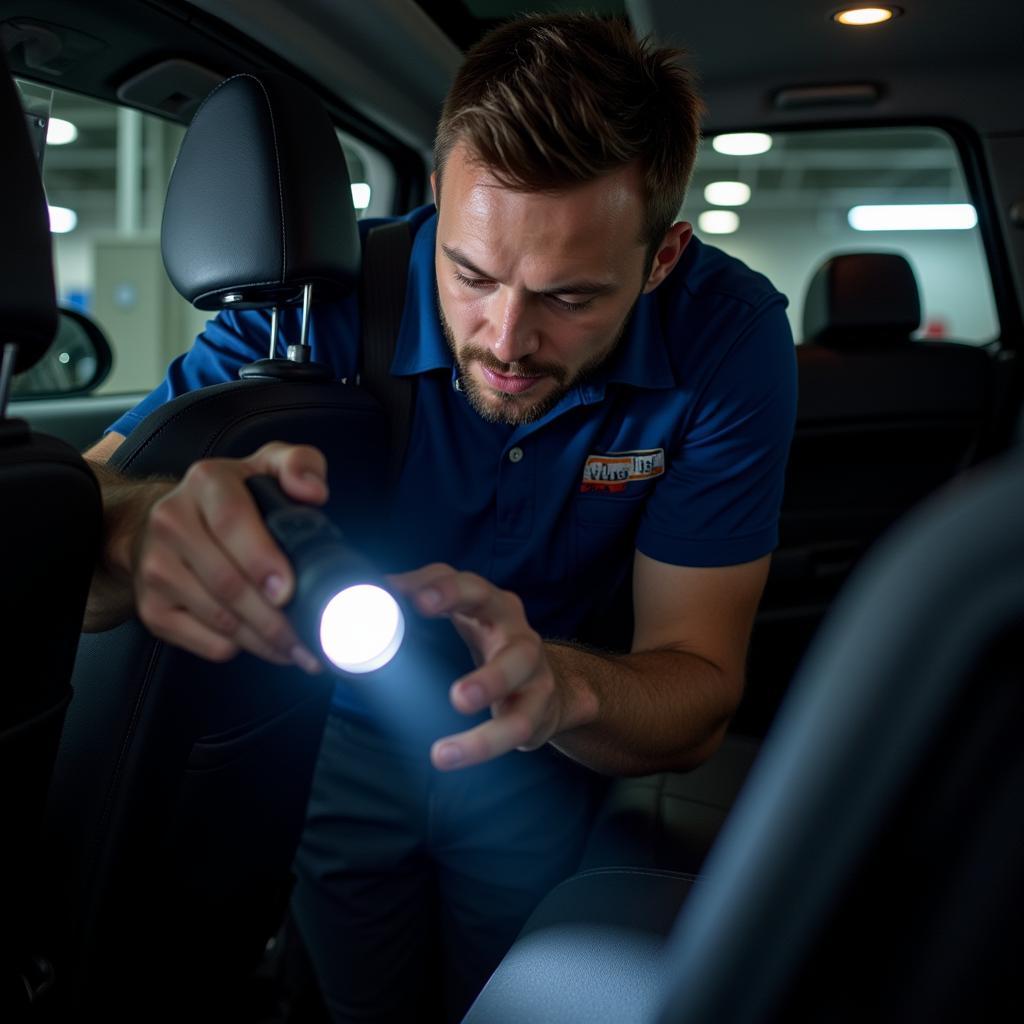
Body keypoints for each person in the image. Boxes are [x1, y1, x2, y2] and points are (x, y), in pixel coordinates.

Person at [84, 12, 797, 1022]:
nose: (506, 339)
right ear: (435, 201)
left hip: (542, 738)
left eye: (570, 297)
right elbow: (88, 499)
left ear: (663, 257)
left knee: (509, 997)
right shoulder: (315, 307)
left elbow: (699, 687)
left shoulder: (726, 341)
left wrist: (558, 687)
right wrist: (137, 527)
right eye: (470, 274)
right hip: (337, 730)